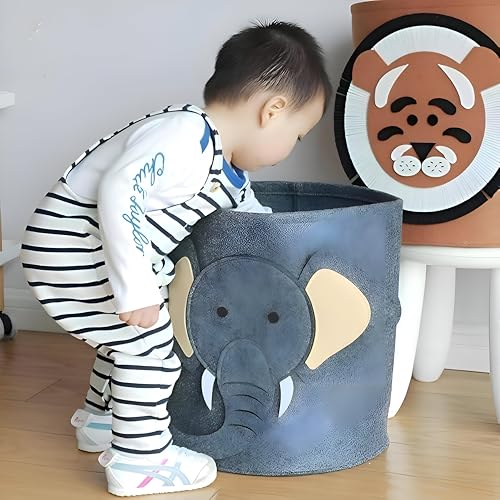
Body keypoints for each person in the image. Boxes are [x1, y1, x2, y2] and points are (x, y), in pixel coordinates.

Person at [20, 20, 332, 497]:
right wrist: (135, 287)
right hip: (71, 245)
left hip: (91, 252)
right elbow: (121, 189)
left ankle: (103, 421)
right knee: (150, 352)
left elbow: (253, 218)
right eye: (299, 135)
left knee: (122, 339)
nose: (291, 149)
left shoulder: (225, 168)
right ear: (273, 111)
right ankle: (140, 461)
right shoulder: (185, 136)